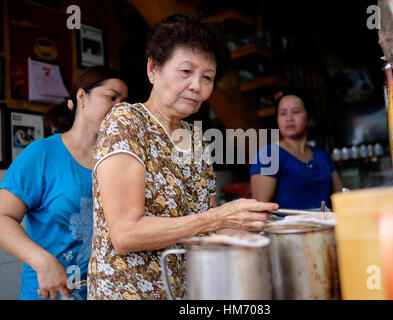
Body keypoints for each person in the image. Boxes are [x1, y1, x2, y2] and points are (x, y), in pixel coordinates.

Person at [87, 14, 278, 300]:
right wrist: (217, 217)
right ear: (153, 69)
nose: (196, 87)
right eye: (185, 71)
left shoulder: (197, 139)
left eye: (207, 78)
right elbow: (126, 234)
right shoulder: (127, 122)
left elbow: (209, 223)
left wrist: (259, 232)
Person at [0, 66, 128, 300]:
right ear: (82, 97)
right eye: (112, 97)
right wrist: (43, 262)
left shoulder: (120, 162)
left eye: (124, 102)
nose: (120, 108)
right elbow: (2, 217)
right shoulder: (41, 154)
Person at [250, 92, 343, 212]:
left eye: (296, 112)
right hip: (286, 230)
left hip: (324, 228)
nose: (289, 118)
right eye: (283, 113)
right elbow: (259, 208)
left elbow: (340, 197)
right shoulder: (269, 155)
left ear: (310, 118)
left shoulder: (322, 155)